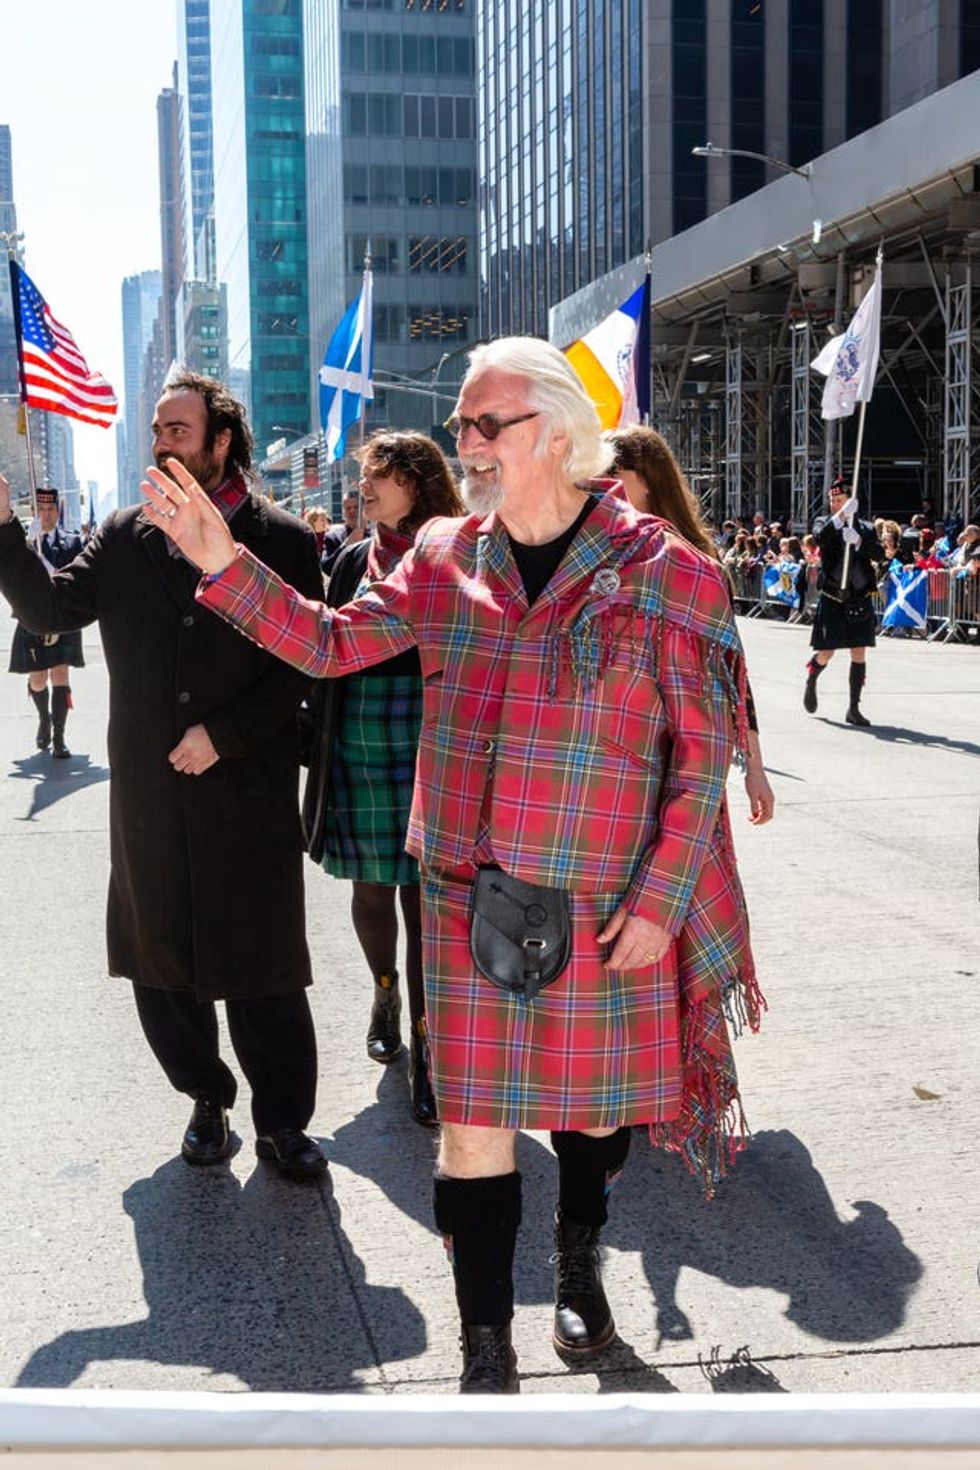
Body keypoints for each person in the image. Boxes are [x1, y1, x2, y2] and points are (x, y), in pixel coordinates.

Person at [142, 337, 764, 1394]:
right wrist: (220, 564)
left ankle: (578, 1245)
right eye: (461, 424)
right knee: (471, 1127)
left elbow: (700, 755)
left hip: (607, 898)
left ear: (559, 435)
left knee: (594, 1120)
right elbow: (328, 640)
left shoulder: (669, 570)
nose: (464, 444)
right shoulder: (440, 555)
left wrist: (662, 902)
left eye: (488, 424)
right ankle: (486, 1353)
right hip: (469, 893)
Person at [0, 372, 327, 1180]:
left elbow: (304, 666)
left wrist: (226, 733)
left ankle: (283, 1122)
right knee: (161, 967)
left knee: (264, 970)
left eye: (179, 429)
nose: (162, 441)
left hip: (246, 791)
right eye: (157, 428)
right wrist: (4, 526)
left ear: (221, 441)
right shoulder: (122, 533)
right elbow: (47, 610)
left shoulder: (282, 538)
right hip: (149, 800)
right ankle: (205, 1098)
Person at [303, 431, 465, 1125]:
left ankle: (430, 1051)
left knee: (428, 903)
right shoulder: (347, 559)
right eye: (365, 477)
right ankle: (384, 990)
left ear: (418, 483)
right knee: (374, 888)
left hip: (435, 736)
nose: (364, 488)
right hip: (363, 736)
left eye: (380, 477)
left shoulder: (459, 550)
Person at [605, 424, 775, 826]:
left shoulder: (697, 566)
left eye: (613, 474)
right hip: (610, 751)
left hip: (680, 754)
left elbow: (734, 675)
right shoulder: (595, 556)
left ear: (647, 480)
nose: (600, 486)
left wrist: (754, 767)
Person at [7, 487, 84, 757]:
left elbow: (78, 575)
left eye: (51, 509)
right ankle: (44, 719)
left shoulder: (72, 542)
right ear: (36, 512)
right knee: (38, 679)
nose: (47, 514)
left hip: (62, 615)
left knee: (60, 673)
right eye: (42, 509)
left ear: (57, 511)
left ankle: (60, 739)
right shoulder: (26, 541)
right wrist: (29, 549)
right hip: (33, 616)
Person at [803, 475, 884, 727]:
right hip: (833, 596)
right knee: (827, 652)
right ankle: (813, 675)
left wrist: (859, 541)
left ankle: (853, 707)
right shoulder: (824, 522)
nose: (835, 504)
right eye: (833, 500)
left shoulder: (866, 528)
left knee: (858, 651)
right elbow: (819, 538)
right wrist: (839, 519)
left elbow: (879, 554)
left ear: (851, 501)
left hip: (857, 596)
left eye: (840, 500)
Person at [320, 488, 366, 577]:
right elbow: (327, 568)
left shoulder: (375, 535)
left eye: (356, 507)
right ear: (344, 511)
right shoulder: (333, 536)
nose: (352, 511)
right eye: (348, 508)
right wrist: (347, 545)